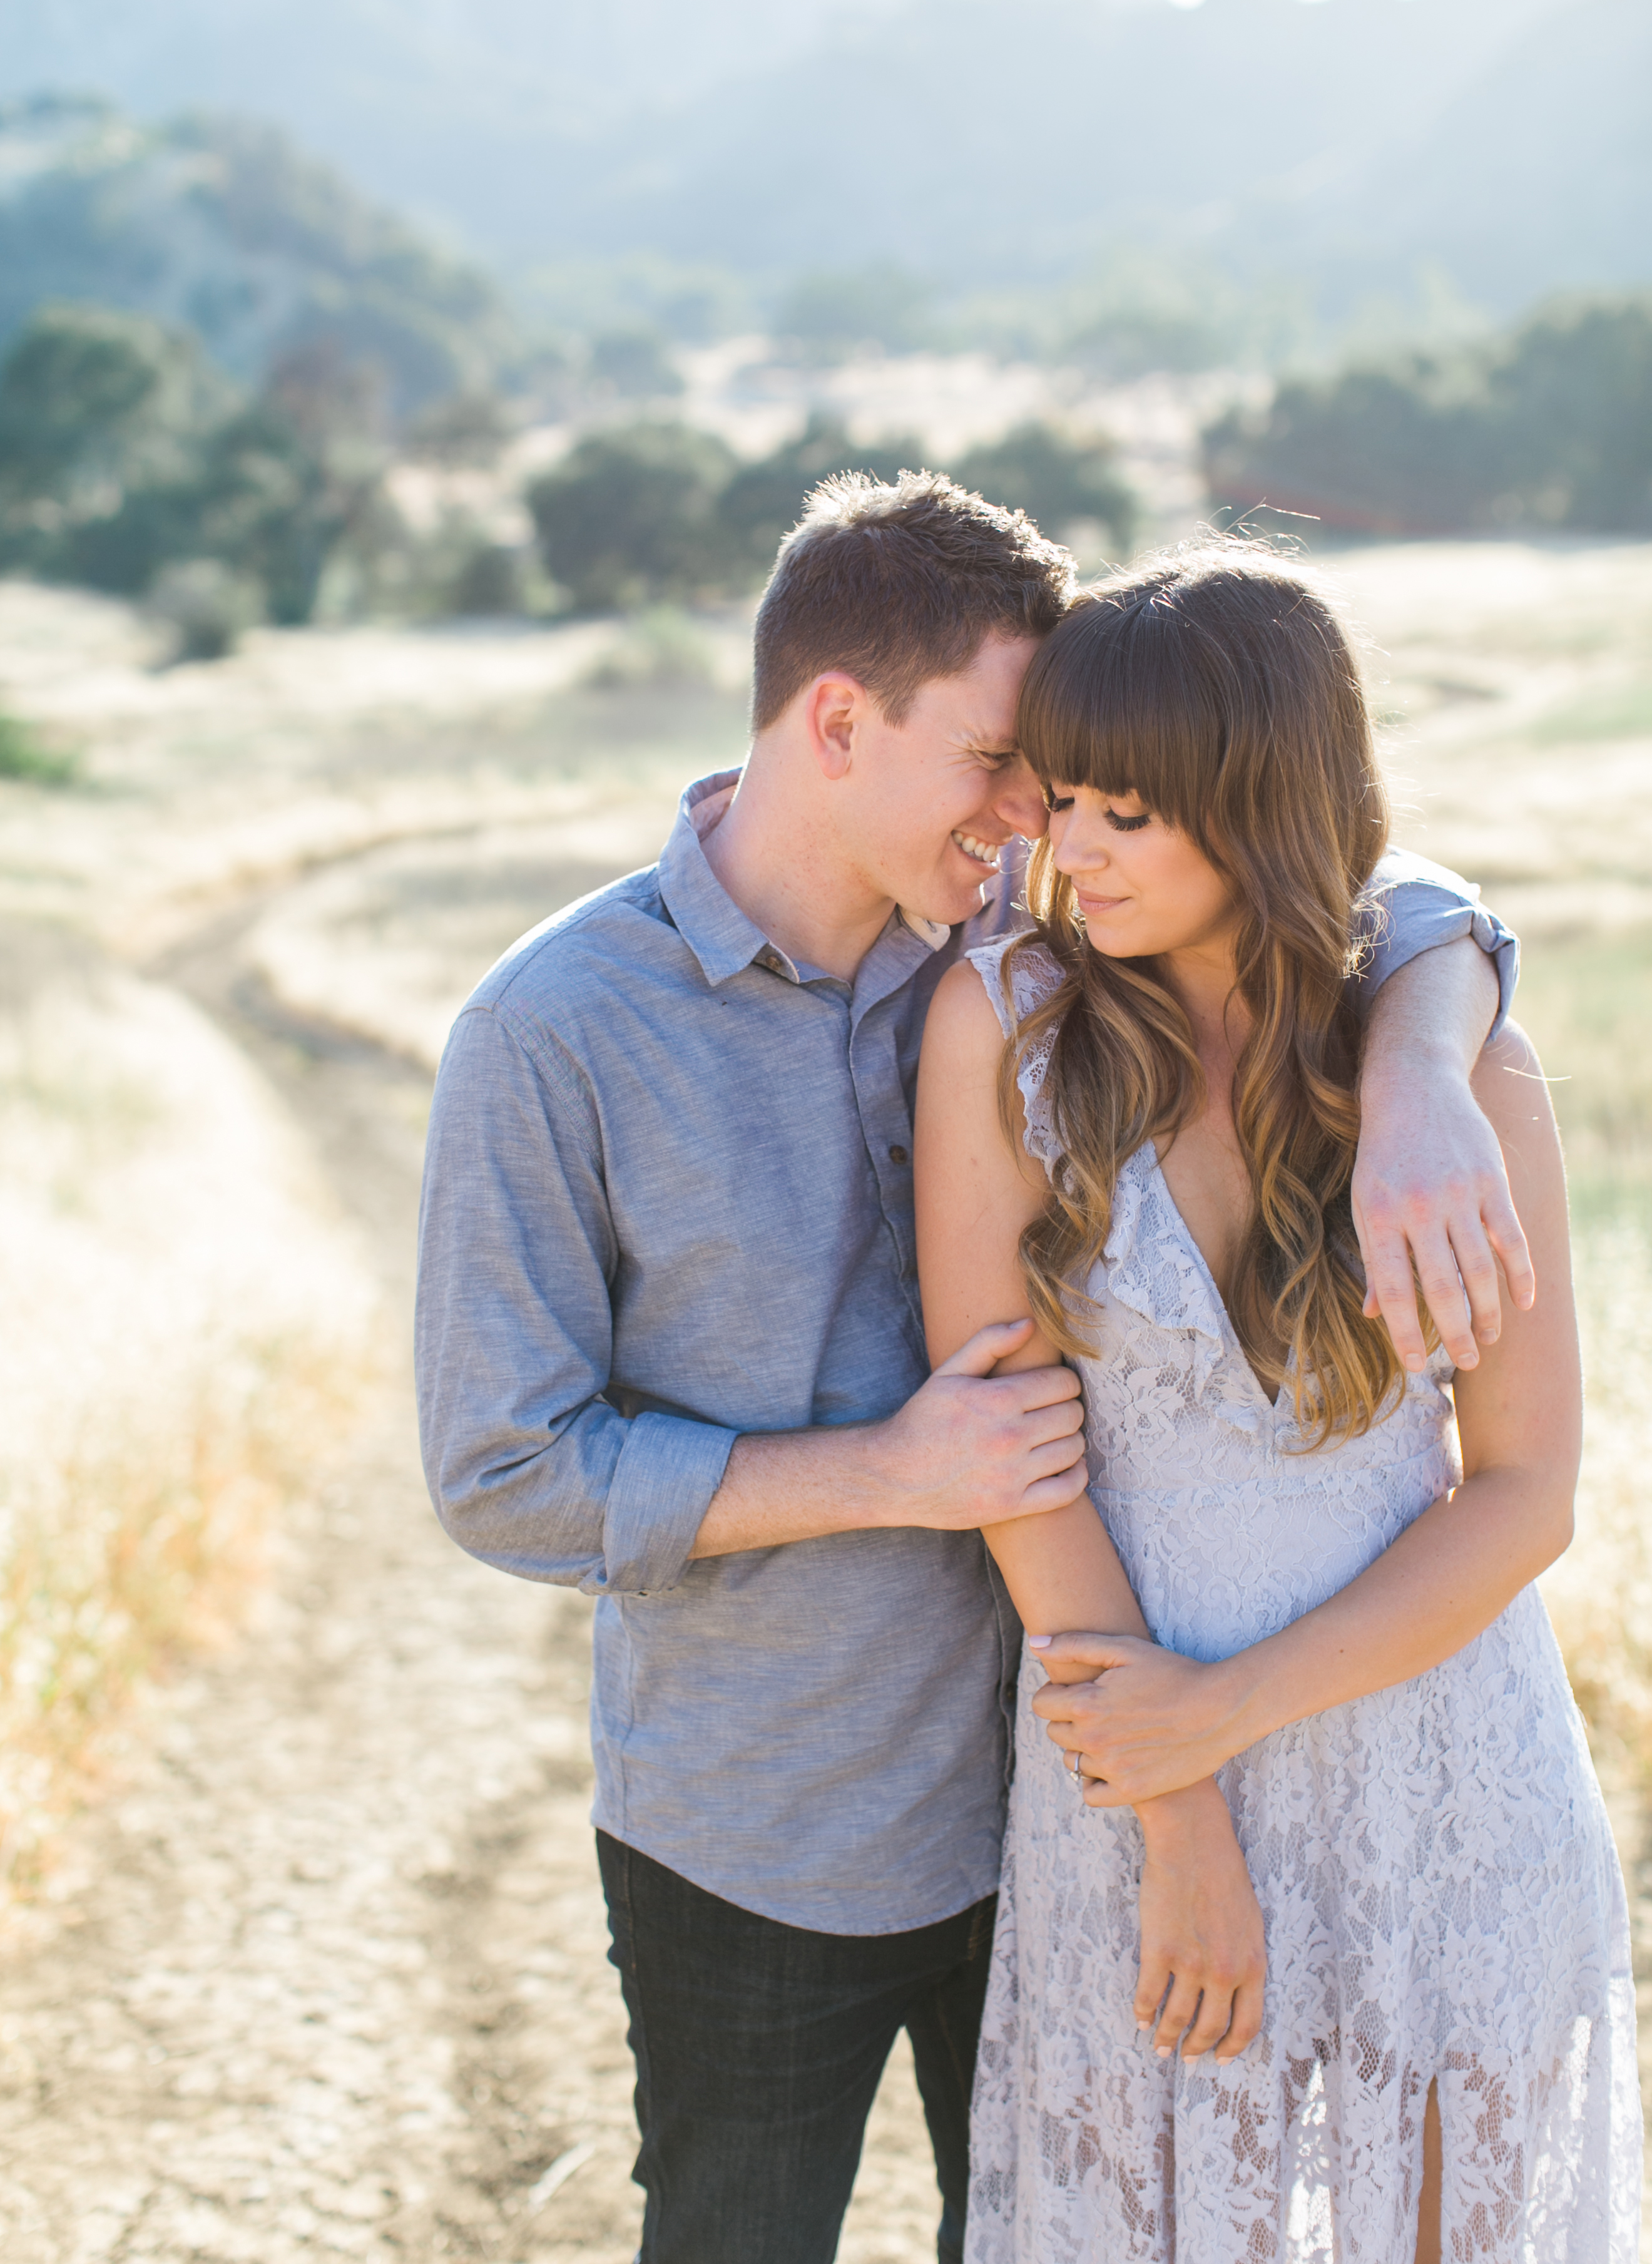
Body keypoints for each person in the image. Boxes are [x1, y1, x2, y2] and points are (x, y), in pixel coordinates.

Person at [416, 475, 1526, 2264]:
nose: (1041, 814)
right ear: (838, 723)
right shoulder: (555, 1034)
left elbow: (1337, 868)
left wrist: (1422, 1053)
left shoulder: (1020, 934)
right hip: (768, 1825)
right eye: (1009, 759)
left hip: (1063, 1806)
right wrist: (892, 1474)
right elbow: (501, 1472)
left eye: (1066, 777)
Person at [915, 542, 1638, 2263]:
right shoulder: (1004, 1031)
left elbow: (1526, 1491)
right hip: (1139, 1771)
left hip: (1448, 1777)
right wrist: (1179, 1799)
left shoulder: (1454, 1078)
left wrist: (1227, 1708)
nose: (1068, 852)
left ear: (1261, 809)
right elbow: (1016, 1459)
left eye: (1127, 815)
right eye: (1063, 798)